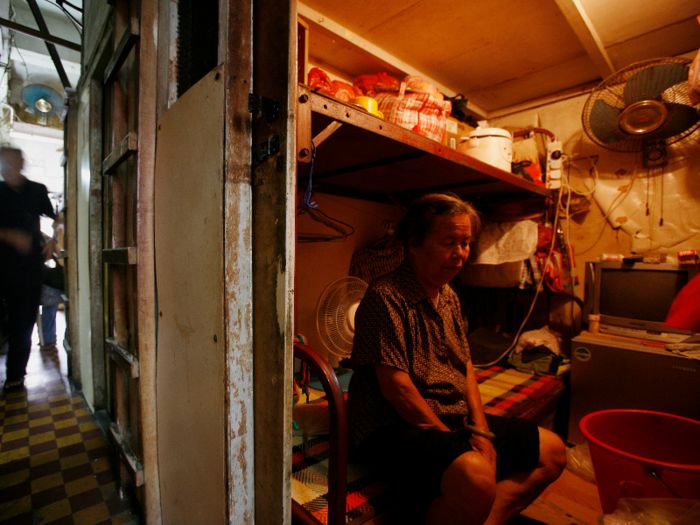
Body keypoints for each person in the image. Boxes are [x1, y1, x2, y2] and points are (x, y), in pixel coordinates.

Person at [347, 193, 566, 525]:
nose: (460, 254)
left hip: (448, 415)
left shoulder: (448, 294)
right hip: (389, 426)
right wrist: (455, 443)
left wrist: (480, 431)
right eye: (449, 242)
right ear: (415, 244)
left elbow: (464, 365)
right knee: (476, 473)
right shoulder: (386, 296)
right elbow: (398, 390)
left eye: (465, 243)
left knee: (552, 451)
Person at [0, 146, 57, 390]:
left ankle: (15, 377)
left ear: (22, 164)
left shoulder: (37, 190)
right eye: (4, 165)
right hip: (1, 267)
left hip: (29, 270)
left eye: (14, 164)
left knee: (23, 325)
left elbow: (59, 219)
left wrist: (55, 239)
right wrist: (8, 235)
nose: (9, 170)